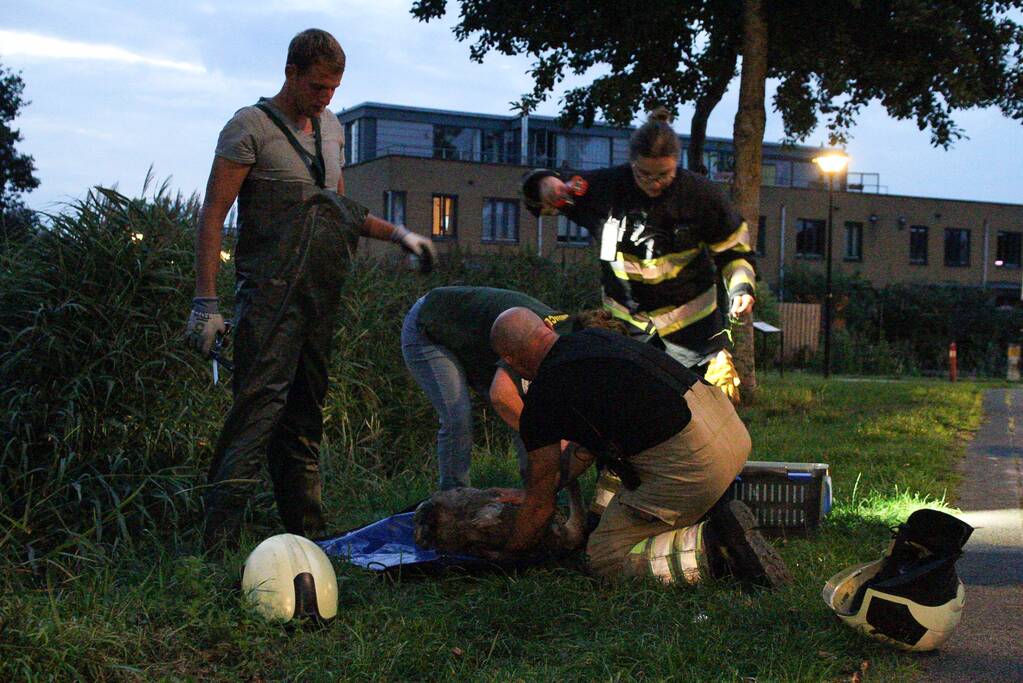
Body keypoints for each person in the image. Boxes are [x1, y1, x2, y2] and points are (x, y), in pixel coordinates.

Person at [186, 29, 435, 550]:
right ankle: (217, 544)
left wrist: (402, 236)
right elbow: (213, 214)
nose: (327, 97)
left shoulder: (332, 130)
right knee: (255, 414)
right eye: (319, 86)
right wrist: (205, 304)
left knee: (305, 417)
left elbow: (341, 214)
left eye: (334, 88)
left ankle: (306, 538)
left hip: (320, 297)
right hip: (267, 298)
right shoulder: (248, 128)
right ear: (291, 73)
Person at [490, 307, 791, 587]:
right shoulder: (594, 338)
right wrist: (536, 493)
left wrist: (504, 556)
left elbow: (541, 504)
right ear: (546, 327)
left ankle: (719, 547)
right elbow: (584, 449)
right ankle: (698, 510)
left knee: (604, 557)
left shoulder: (543, 398)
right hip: (730, 430)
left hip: (696, 463)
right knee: (620, 462)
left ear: (512, 362)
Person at [521, 108, 755, 404]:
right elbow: (543, 190)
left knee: (708, 407)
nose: (654, 183)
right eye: (644, 174)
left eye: (664, 175)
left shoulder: (702, 197)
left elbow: (735, 253)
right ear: (632, 163)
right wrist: (545, 185)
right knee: (631, 408)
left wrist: (740, 289)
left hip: (693, 331)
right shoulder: (603, 190)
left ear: (677, 164)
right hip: (627, 328)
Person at [401, 286, 624, 490]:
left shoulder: (569, 340)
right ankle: (453, 494)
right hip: (431, 326)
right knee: (458, 416)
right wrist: (547, 440)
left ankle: (535, 495)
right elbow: (501, 396)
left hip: (480, 344)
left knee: (531, 418)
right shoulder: (546, 342)